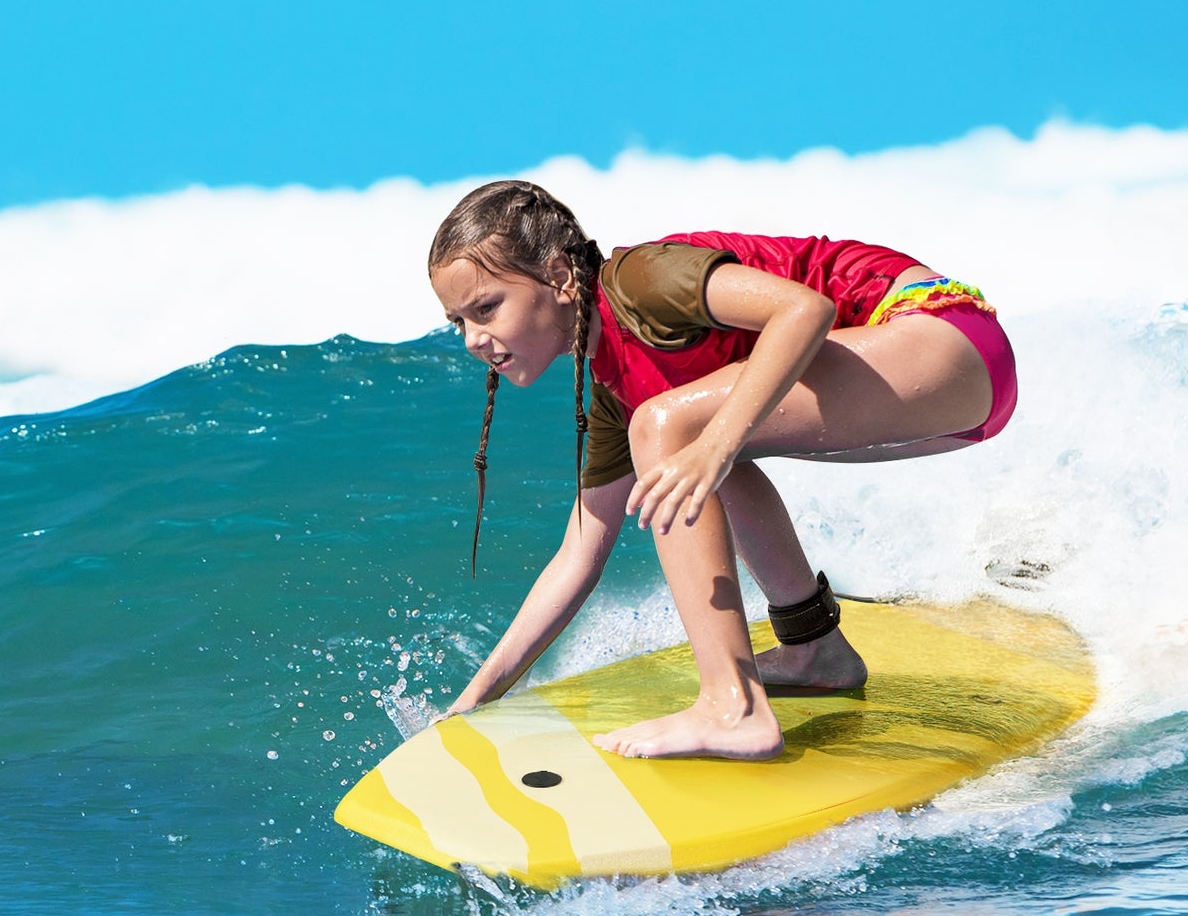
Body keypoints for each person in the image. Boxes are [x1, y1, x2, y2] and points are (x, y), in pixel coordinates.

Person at [427, 180, 1017, 761]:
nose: (474, 339)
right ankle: (815, 648)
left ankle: (732, 707)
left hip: (941, 335)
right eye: (459, 322)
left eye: (487, 307)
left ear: (559, 276)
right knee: (687, 446)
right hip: (936, 399)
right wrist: (475, 700)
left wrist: (714, 444)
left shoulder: (640, 281)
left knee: (678, 432)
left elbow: (806, 308)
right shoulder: (615, 390)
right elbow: (579, 554)